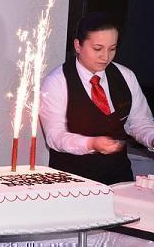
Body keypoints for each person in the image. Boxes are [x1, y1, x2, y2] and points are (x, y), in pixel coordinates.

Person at [40, 12, 154, 185]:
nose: (106, 57)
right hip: (72, 181)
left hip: (119, 178)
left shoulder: (125, 76)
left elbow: (139, 122)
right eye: (98, 49)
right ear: (78, 46)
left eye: (112, 48)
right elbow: (55, 137)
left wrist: (152, 138)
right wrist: (91, 143)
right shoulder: (56, 82)